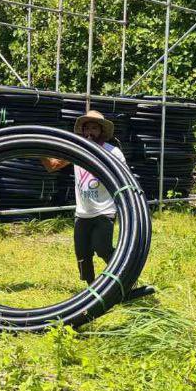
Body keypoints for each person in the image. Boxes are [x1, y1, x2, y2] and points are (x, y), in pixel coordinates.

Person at [41, 109, 153, 299]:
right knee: (82, 255)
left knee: (102, 248)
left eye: (94, 127)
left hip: (104, 210)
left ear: (101, 131)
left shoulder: (112, 151)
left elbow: (125, 179)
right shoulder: (76, 150)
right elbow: (52, 166)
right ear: (82, 131)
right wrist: (39, 149)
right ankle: (92, 291)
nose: (90, 132)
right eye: (87, 128)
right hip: (83, 212)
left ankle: (126, 282)